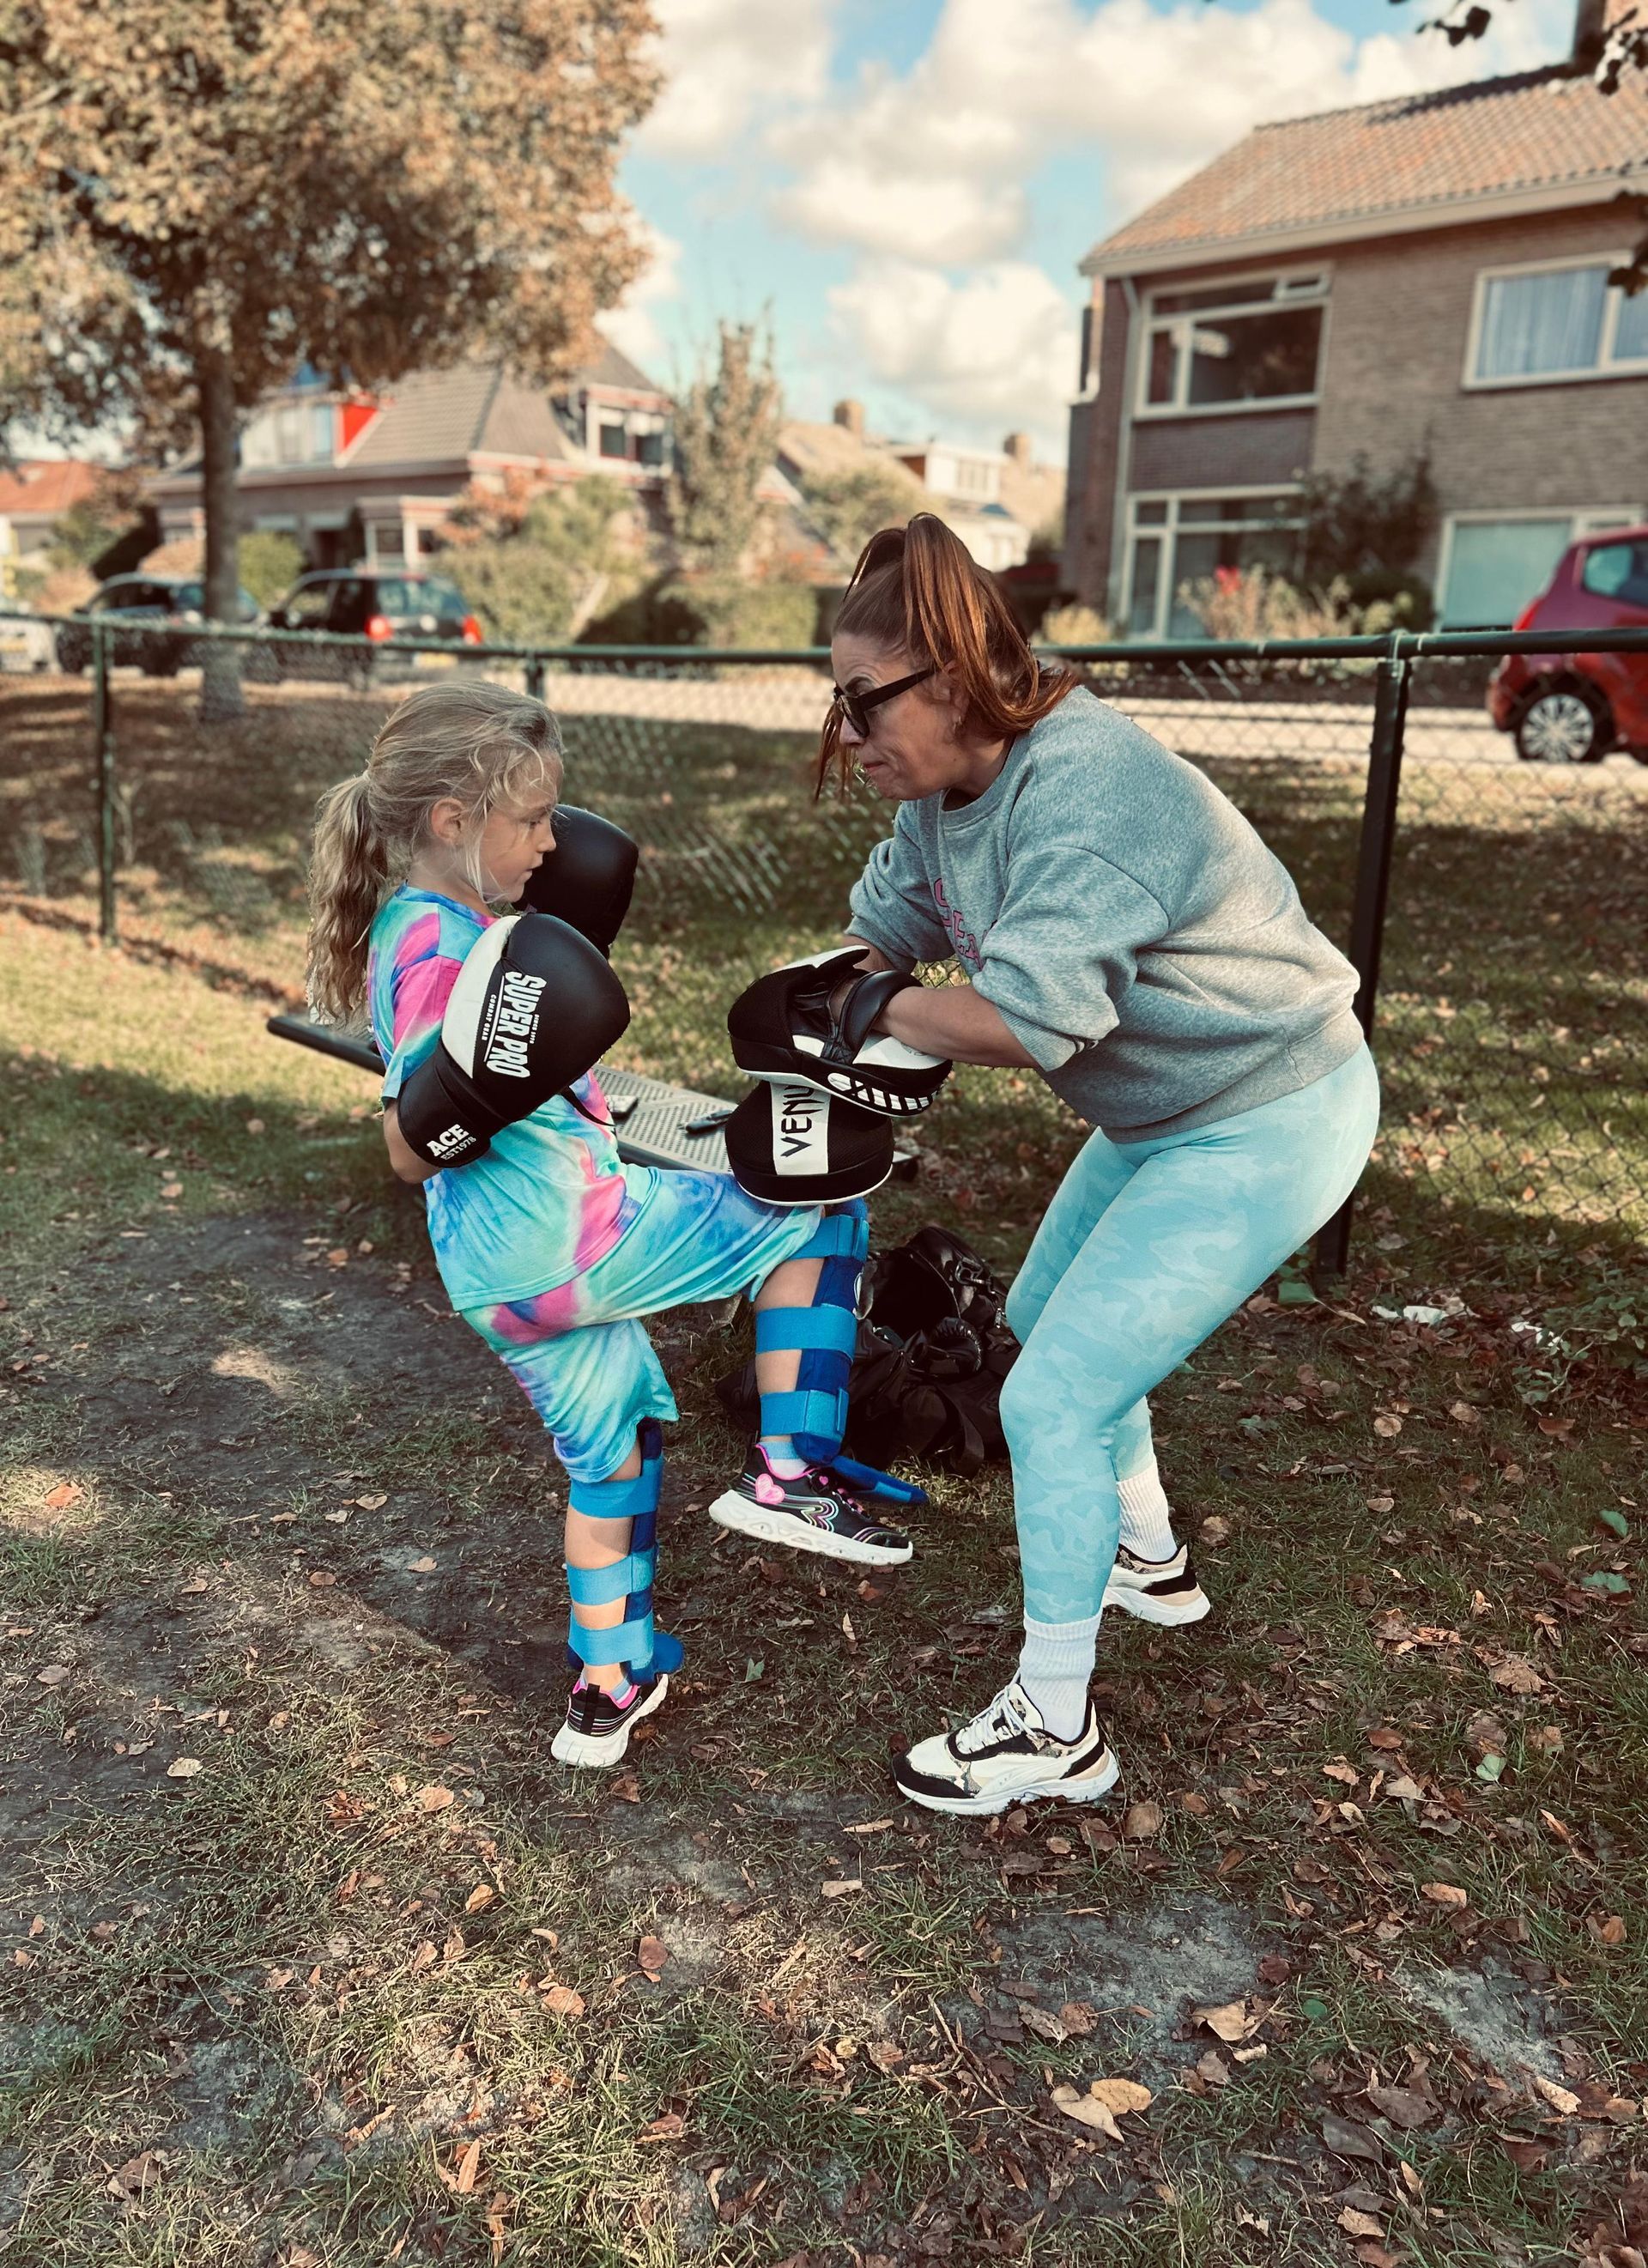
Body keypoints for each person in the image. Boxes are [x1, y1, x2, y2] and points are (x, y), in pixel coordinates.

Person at [821, 517, 1381, 1816]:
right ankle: (1147, 1554)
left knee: (1053, 1400)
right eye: (837, 702)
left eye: (864, 700)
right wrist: (832, 992)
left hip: (1274, 1110)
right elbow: (879, 932)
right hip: (1165, 1116)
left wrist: (871, 1010)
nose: (847, 733)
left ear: (956, 679)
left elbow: (1029, 1021)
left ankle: (1057, 1725)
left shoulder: (1088, 791)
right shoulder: (942, 797)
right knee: (1041, 1333)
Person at [305, 680, 916, 1771]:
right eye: (532, 817)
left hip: (498, 1277)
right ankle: (790, 1466)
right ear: (451, 819)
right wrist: (481, 1089)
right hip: (578, 1235)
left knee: (614, 1447)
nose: (552, 841)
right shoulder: (440, 949)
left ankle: (609, 1677)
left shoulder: (422, 923)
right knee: (822, 1201)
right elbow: (410, 1142)